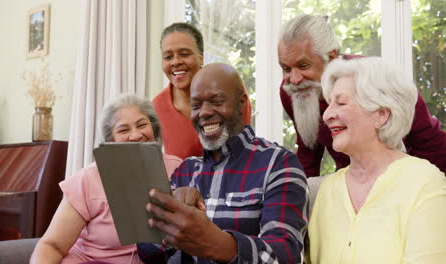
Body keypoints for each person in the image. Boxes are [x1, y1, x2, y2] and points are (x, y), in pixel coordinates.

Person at [140, 63, 308, 263]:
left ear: (241, 103)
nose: (203, 113)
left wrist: (217, 242)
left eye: (217, 101)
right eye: (196, 105)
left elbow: (286, 255)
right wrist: (164, 223)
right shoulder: (185, 170)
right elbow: (146, 252)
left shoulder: (279, 164)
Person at [307, 57, 446, 263]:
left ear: (381, 114)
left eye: (341, 103)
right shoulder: (325, 191)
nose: (327, 115)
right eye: (329, 104)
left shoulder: (425, 182)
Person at [278, 14, 446, 177]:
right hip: (351, 180)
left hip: (406, 176)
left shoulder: (378, 80)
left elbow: (429, 142)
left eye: (304, 65)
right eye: (286, 68)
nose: (294, 79)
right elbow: (309, 150)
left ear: (331, 56)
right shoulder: (294, 92)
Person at [30, 94, 183, 264]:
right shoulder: (88, 179)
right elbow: (52, 245)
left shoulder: (177, 169)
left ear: (153, 129)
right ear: (111, 139)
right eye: (124, 130)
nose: (136, 135)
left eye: (142, 125)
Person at [154, 22, 252, 160]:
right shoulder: (158, 106)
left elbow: (242, 149)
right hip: (184, 181)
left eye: (184, 54)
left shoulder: (232, 90)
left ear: (201, 58)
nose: (175, 62)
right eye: (168, 57)